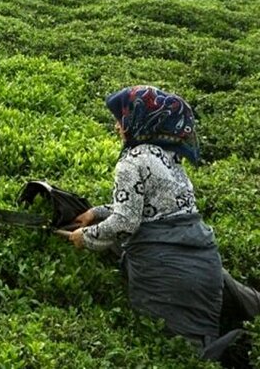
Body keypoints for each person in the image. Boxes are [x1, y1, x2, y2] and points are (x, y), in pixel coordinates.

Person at [58, 86, 259, 364]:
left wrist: (86, 237)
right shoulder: (168, 156)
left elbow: (127, 221)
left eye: (121, 118)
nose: (117, 125)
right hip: (205, 265)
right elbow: (158, 209)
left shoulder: (131, 162)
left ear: (140, 119)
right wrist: (97, 211)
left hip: (166, 274)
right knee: (200, 344)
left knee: (177, 356)